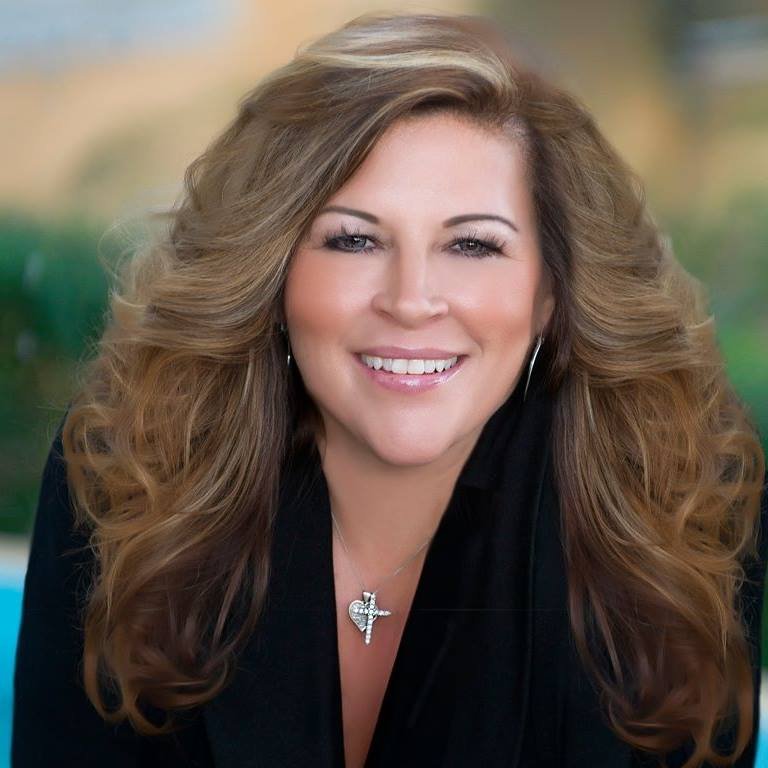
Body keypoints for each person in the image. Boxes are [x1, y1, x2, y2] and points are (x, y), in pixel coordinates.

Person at [11, 10, 768, 768]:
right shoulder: (130, 468)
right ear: (272, 273)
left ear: (550, 294)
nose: (411, 301)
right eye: (354, 240)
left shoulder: (678, 503)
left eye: (472, 244)